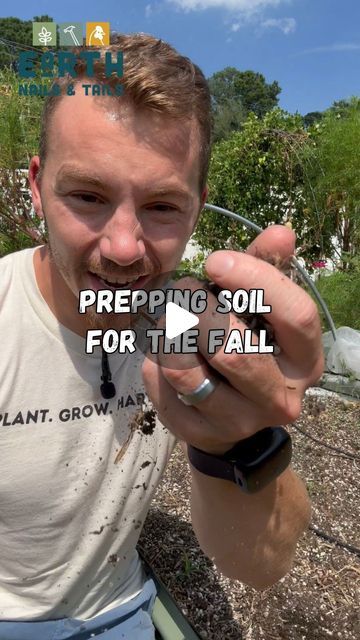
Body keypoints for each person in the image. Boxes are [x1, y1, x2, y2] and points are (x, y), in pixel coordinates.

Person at [0, 34, 323, 639]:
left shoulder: (186, 324)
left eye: (162, 207)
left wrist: (241, 440)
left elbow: (263, 566)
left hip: (122, 608)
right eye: (88, 196)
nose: (125, 248)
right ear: (38, 185)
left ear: (198, 209)